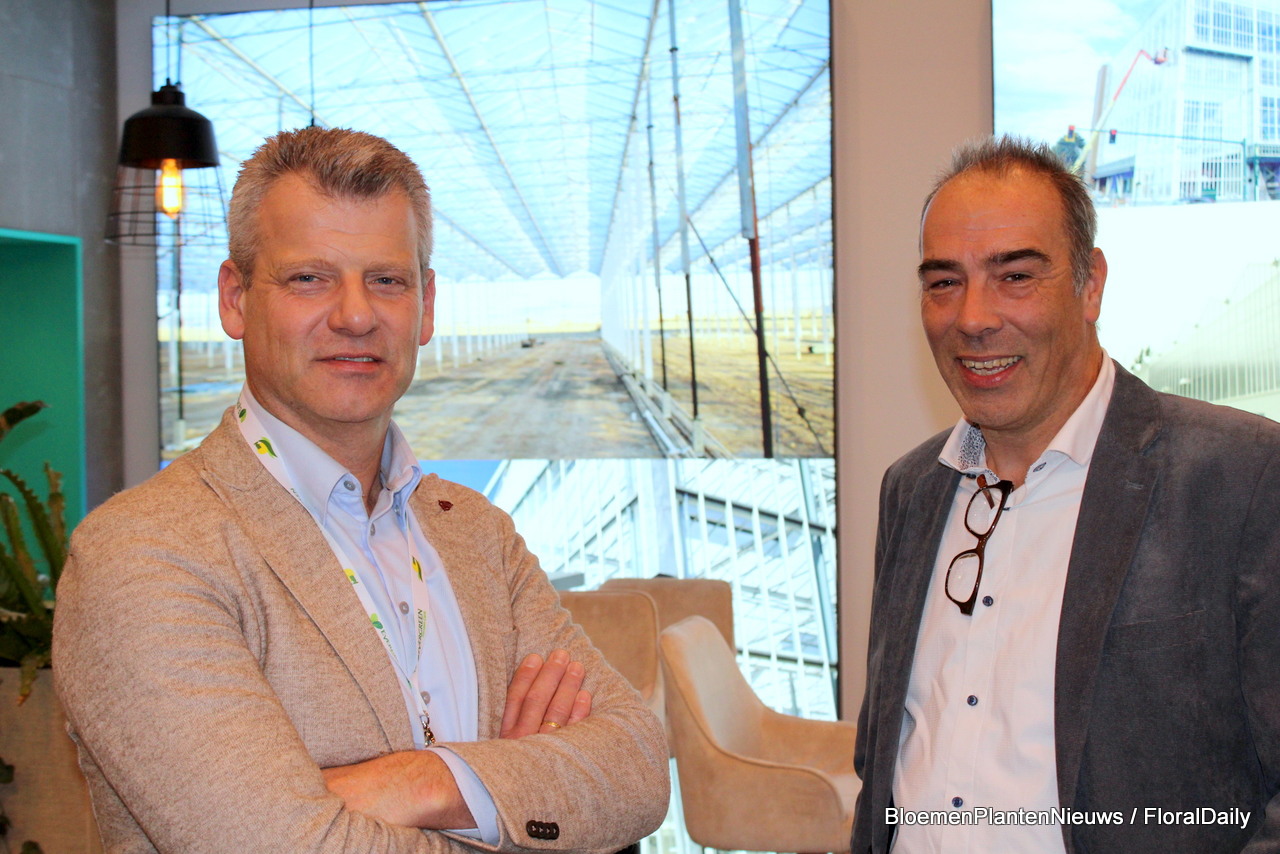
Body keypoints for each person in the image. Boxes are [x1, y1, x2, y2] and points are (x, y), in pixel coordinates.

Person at [52, 127, 669, 854]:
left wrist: (424, 782)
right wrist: (515, 790)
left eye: (387, 280)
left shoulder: (475, 532)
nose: (355, 315)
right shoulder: (144, 553)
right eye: (308, 278)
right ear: (235, 299)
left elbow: (638, 768)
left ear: (426, 305)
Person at [851, 136, 1280, 853]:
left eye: (1015, 276)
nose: (973, 317)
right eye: (944, 282)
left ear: (1090, 284)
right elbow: (886, 759)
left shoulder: (1243, 477)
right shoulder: (911, 490)